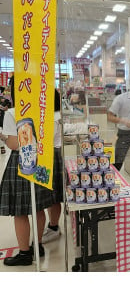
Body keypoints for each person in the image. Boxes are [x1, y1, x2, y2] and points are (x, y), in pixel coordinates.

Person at [0, 76, 53, 266]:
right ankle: (37, 245)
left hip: (21, 163)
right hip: (41, 161)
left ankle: (24, 253)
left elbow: (15, 144)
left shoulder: (12, 113)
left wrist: (2, 135)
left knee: (20, 211)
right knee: (38, 207)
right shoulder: (43, 111)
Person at [41, 89, 64, 243]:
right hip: (50, 155)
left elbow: (46, 140)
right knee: (51, 195)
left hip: (50, 156)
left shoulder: (53, 118)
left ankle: (54, 226)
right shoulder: (56, 116)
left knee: (53, 195)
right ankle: (52, 225)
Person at [0, 86, 12, 154]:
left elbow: (9, 104)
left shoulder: (3, 99)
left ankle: (2, 146)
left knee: (0, 133)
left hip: (1, 119)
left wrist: (6, 107)